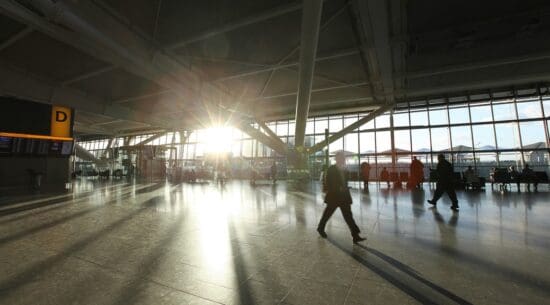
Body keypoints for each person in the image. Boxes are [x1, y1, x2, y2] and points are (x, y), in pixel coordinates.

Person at [317, 151, 366, 243]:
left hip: (344, 196)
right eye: (342, 158)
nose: (343, 160)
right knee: (327, 214)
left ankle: (355, 235)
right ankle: (320, 228)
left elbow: (344, 181)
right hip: (334, 196)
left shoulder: (344, 169)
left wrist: (344, 187)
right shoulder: (331, 169)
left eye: (344, 158)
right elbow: (329, 182)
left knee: (348, 216)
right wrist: (339, 188)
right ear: (337, 159)